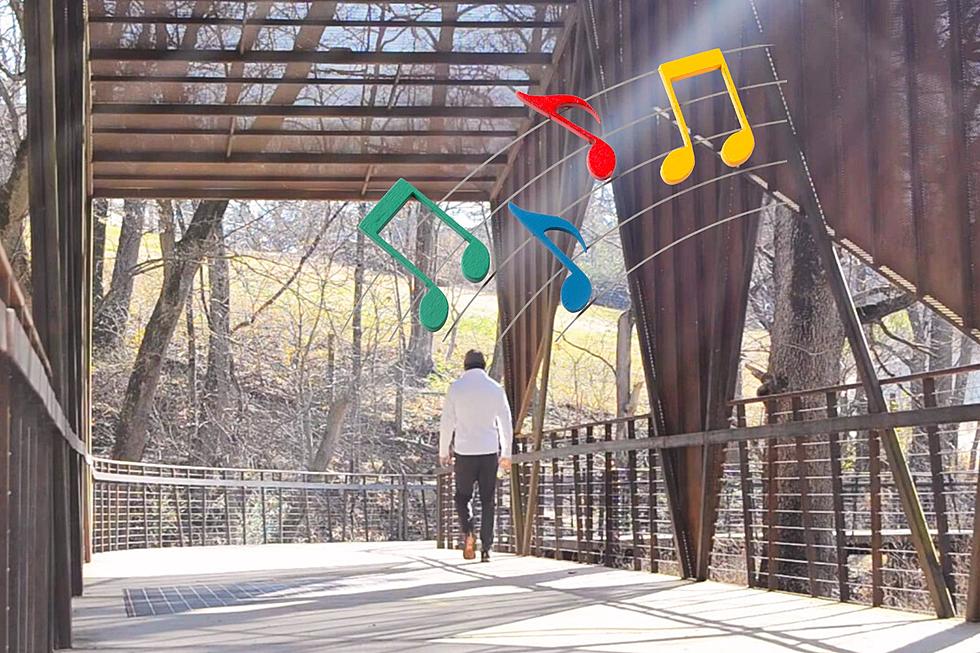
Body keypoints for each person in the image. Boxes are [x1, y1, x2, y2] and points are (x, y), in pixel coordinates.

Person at [439, 350, 513, 562]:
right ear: (484, 364)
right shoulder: (495, 389)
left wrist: (444, 451)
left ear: (465, 365)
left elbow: (447, 422)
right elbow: (505, 422)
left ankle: (468, 531)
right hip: (489, 452)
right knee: (488, 500)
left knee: (462, 497)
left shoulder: (456, 388)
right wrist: (506, 453)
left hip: (465, 453)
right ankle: (487, 549)